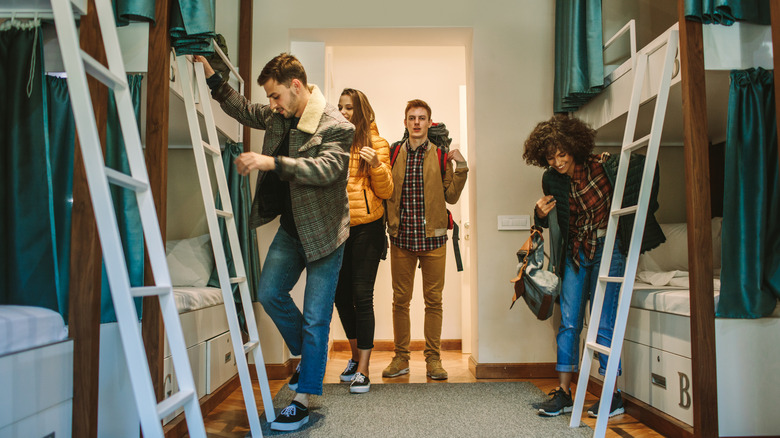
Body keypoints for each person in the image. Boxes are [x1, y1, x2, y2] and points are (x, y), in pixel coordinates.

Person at [195, 53, 353, 431]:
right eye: (270, 98)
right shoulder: (278, 113)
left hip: (326, 233)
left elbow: (327, 169)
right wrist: (213, 77)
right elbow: (246, 110)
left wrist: (272, 163)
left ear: (295, 86)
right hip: (291, 227)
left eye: (276, 96)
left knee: (316, 317)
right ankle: (310, 361)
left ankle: (303, 398)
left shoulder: (335, 125)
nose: (271, 105)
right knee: (268, 293)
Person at [522, 114, 665, 418]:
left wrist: (644, 214)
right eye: (551, 156)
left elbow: (647, 170)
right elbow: (554, 222)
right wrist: (538, 215)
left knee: (603, 323)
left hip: (609, 249)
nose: (558, 161)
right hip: (575, 252)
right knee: (569, 322)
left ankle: (612, 395)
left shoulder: (605, 166)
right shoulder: (551, 178)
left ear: (575, 147)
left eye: (562, 154)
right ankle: (563, 394)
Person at [382, 99, 468, 381]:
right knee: (400, 301)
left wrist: (461, 166)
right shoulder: (394, 153)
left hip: (434, 241)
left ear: (429, 123)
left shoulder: (441, 156)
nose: (417, 122)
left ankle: (433, 360)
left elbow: (451, 197)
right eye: (412, 118)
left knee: (434, 302)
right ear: (405, 122)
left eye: (422, 118)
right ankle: (401, 358)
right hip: (402, 239)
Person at [332, 88, 393, 394]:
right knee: (340, 295)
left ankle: (365, 370)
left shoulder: (377, 143)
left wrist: (377, 166)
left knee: (361, 295)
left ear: (362, 111)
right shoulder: (332, 141)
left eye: (349, 108)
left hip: (367, 229)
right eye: (340, 107)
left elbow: (386, 191)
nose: (344, 113)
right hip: (337, 228)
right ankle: (355, 359)